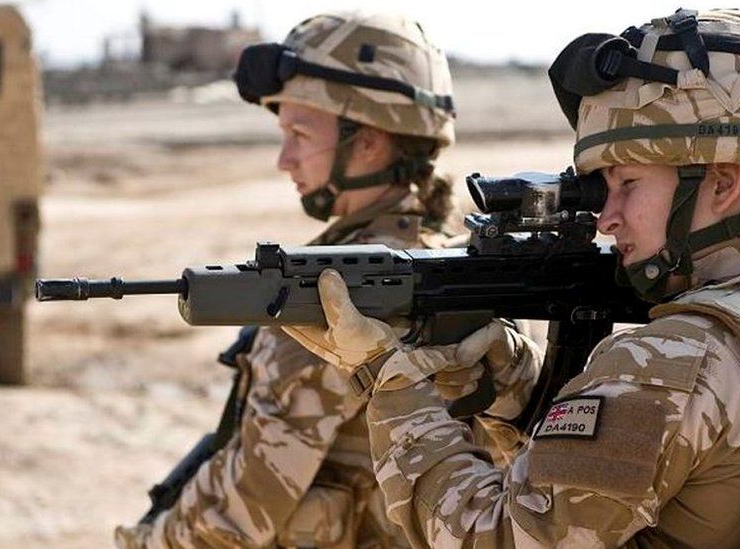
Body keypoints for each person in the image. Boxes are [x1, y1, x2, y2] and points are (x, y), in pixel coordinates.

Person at [284, 8, 740, 548]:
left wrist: (388, 382)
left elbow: (497, 537)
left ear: (721, 183)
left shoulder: (673, 360)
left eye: (628, 183)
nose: (606, 217)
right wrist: (518, 384)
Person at [115, 11, 540, 548]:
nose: (283, 159)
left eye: (298, 133)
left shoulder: (340, 292)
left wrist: (151, 541)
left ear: (368, 142)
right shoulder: (464, 259)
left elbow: (242, 508)